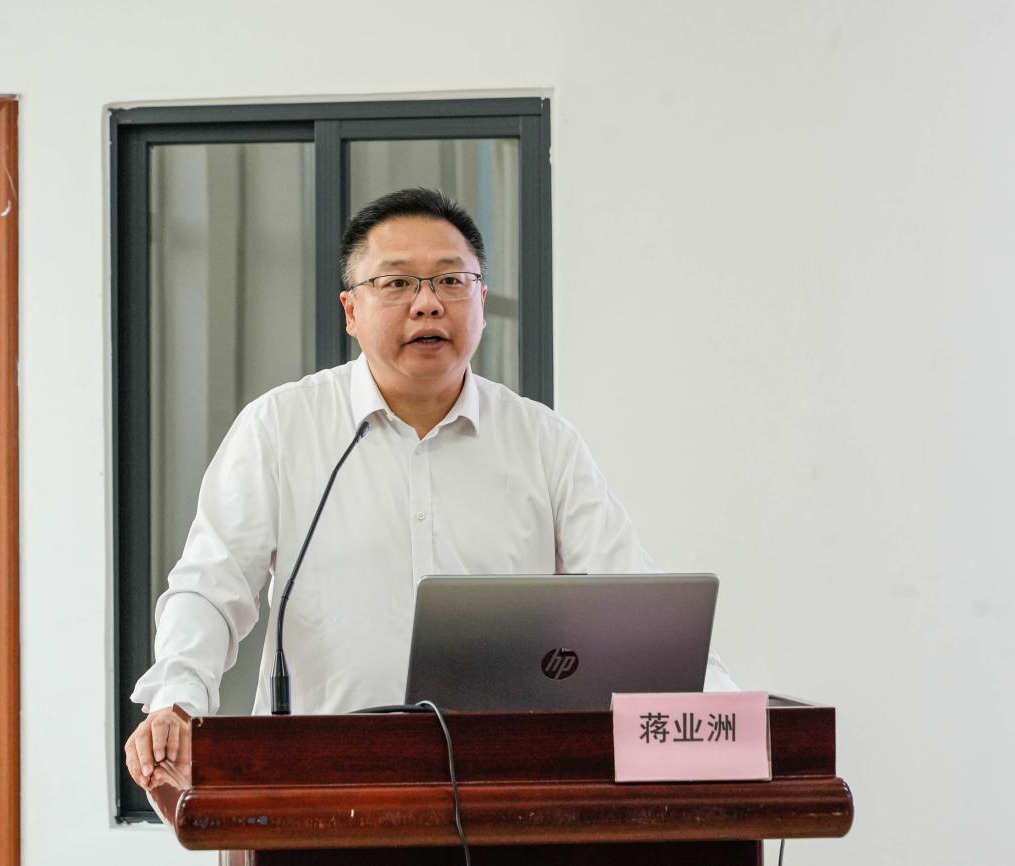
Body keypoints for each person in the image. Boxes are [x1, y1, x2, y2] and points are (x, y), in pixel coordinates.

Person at [123, 188, 734, 790]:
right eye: (396, 283)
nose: (428, 304)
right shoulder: (282, 427)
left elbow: (632, 606)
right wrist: (177, 696)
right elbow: (211, 585)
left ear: (482, 302)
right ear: (351, 311)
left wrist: (726, 716)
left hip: (505, 784)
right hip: (321, 783)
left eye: (450, 281)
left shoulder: (542, 441)